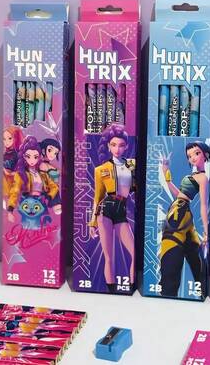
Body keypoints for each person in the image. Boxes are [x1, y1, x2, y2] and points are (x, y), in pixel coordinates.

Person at [159, 141, 210, 297]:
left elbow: (203, 205)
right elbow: (179, 194)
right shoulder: (193, 176)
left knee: (188, 253)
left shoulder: (203, 178)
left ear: (206, 155)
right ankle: (170, 290)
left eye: (197, 153)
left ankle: (196, 291)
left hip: (181, 212)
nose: (192, 158)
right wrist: (166, 172)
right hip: (179, 210)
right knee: (189, 252)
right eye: (189, 156)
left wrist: (206, 232)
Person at [88, 124, 135, 293]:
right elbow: (97, 197)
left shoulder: (132, 165)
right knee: (109, 256)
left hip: (122, 210)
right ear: (108, 146)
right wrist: (92, 222)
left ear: (126, 146)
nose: (117, 149)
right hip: (105, 210)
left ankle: (129, 287)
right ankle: (111, 290)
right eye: (114, 145)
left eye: (121, 145)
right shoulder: (101, 169)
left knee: (133, 252)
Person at [7, 136, 61, 224]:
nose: (32, 160)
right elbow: (15, 191)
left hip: (41, 203)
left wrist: (49, 196)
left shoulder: (43, 173)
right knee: (29, 225)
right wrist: (10, 209)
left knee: (45, 224)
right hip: (28, 204)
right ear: (24, 156)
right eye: (28, 156)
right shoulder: (21, 174)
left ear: (39, 156)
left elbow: (54, 186)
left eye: (35, 157)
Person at [3, 127, 23, 199]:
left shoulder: (18, 154)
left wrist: (9, 172)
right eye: (4, 139)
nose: (6, 142)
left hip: (13, 182)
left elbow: (21, 171)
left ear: (16, 138)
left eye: (10, 138)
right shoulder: (5, 153)